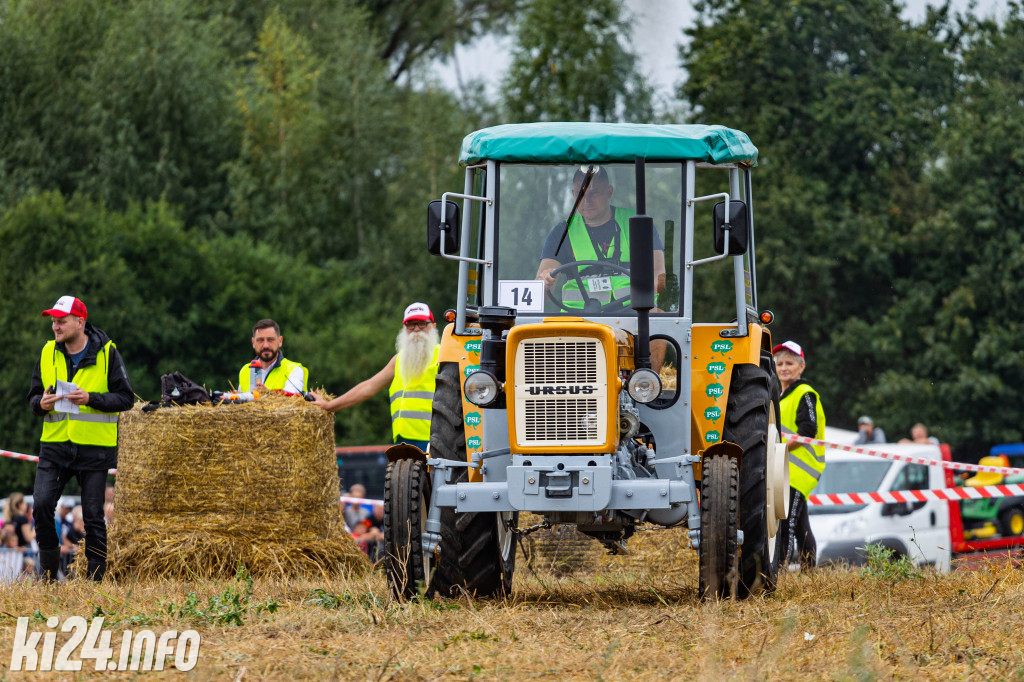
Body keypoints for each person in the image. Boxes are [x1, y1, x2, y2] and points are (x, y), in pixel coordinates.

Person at [28, 295, 134, 581]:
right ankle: (48, 577)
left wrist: (91, 398)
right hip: (55, 446)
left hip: (94, 448)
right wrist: (42, 404)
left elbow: (126, 398)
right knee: (40, 504)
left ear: (80, 322)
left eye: (61, 321)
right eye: (53, 321)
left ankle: (96, 581)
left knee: (92, 515)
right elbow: (33, 399)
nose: (55, 327)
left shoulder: (108, 352)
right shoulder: (47, 351)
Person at [312, 303, 439, 452]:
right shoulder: (399, 361)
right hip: (404, 443)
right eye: (411, 324)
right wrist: (329, 405)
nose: (416, 329)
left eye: (422, 324)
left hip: (436, 442)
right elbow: (368, 387)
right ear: (404, 328)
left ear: (433, 326)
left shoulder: (444, 355)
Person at [535, 166, 666, 310]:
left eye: (594, 193)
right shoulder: (562, 233)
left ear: (609, 192)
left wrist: (648, 306)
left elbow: (659, 277)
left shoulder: (638, 224)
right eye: (580, 194)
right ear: (573, 194)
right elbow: (541, 294)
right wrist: (545, 281)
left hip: (633, 317)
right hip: (577, 321)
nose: (587, 200)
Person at [773, 340, 826, 568]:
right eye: (779, 363)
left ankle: (780, 571)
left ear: (801, 367)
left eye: (789, 363)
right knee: (801, 525)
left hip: (798, 470)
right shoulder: (781, 395)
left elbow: (808, 431)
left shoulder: (804, 393)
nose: (784, 368)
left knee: (787, 524)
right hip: (786, 469)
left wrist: (779, 450)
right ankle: (809, 572)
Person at [237, 319, 308, 394]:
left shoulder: (294, 370)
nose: (265, 345)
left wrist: (268, 395)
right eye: (260, 340)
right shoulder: (245, 371)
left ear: (280, 341)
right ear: (253, 343)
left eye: (270, 340)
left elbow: (290, 400)